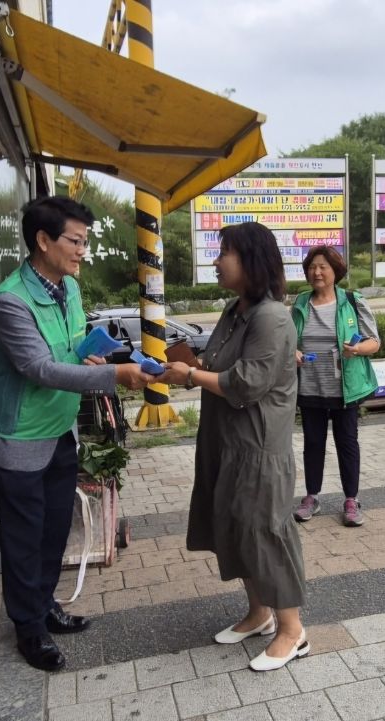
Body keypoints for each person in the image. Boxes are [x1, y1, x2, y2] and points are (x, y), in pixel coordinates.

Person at [0, 196, 152, 672]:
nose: (83, 251)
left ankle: (44, 605)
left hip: (59, 428)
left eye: (85, 241)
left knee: (55, 528)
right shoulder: (9, 302)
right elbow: (39, 368)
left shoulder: (68, 289)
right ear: (43, 240)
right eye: (75, 241)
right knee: (23, 538)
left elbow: (71, 350)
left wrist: (91, 356)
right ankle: (28, 629)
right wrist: (114, 377)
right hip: (18, 438)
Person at [154, 222, 307, 672]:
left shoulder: (271, 316)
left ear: (252, 260)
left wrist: (189, 377)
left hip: (259, 448)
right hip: (225, 442)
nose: (217, 261)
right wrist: (187, 365)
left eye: (225, 252)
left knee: (265, 533)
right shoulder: (233, 309)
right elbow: (217, 364)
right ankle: (259, 614)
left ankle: (292, 630)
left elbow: (248, 383)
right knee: (235, 528)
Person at [291, 246, 380, 527]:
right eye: (312, 267)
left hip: (344, 388)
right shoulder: (300, 303)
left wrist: (357, 349)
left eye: (323, 267)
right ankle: (311, 497)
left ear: (335, 271)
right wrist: (292, 352)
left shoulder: (352, 301)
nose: (316, 272)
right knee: (313, 444)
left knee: (347, 443)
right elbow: (289, 340)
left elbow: (374, 342)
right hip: (310, 386)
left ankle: (351, 500)